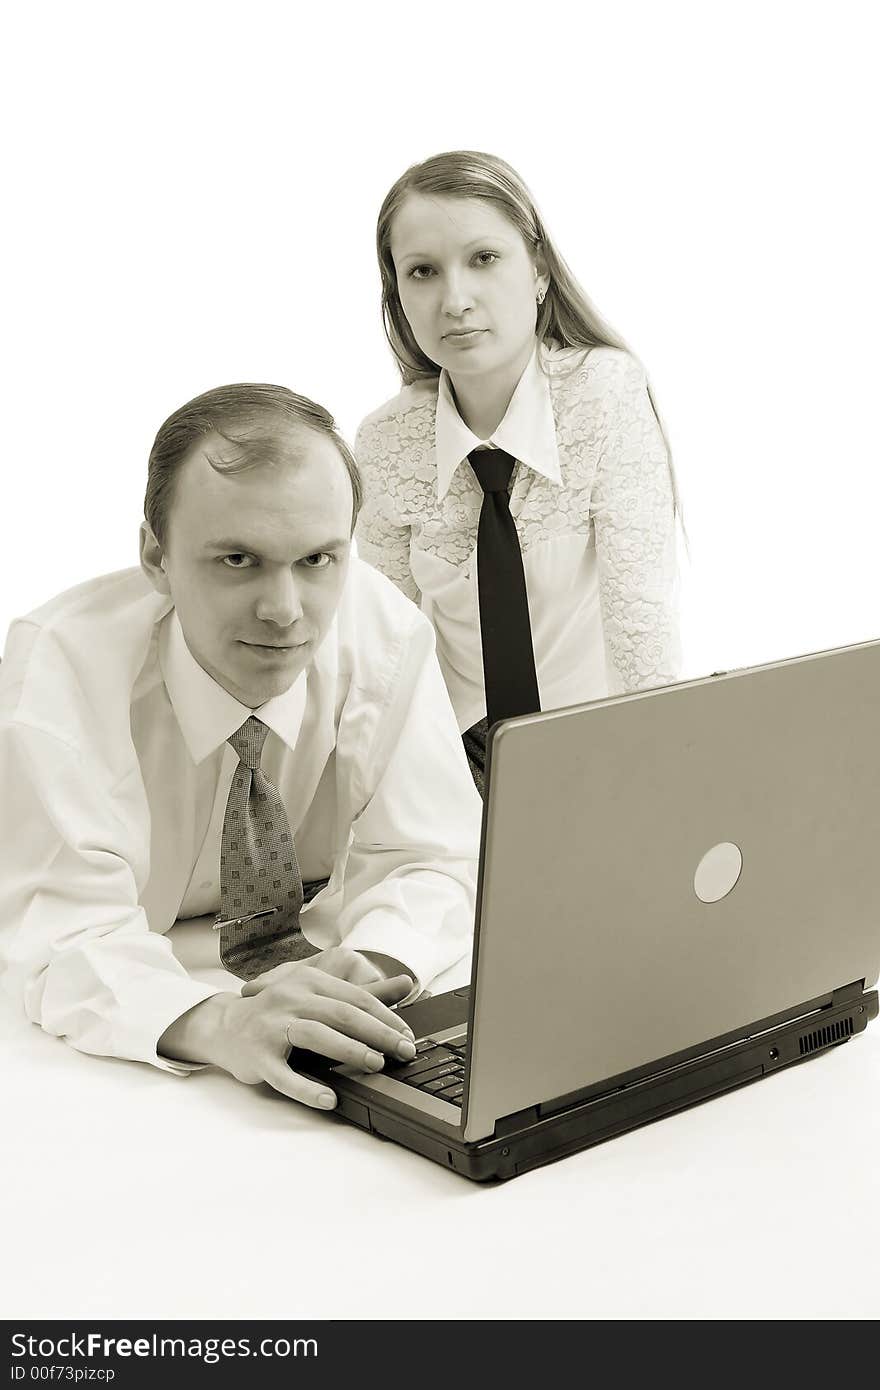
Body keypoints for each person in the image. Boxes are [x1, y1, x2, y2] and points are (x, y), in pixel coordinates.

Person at [0, 383, 482, 1111]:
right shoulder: (59, 668)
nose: (285, 612)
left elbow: (439, 852)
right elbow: (64, 934)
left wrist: (372, 971)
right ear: (156, 557)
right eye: (237, 561)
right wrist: (220, 1022)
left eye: (318, 559)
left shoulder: (381, 632)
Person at [354, 150, 682, 792]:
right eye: (422, 271)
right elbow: (383, 659)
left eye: (483, 258)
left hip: (603, 746)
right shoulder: (386, 442)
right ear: (398, 296)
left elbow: (642, 632)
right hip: (453, 764)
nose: (455, 299)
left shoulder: (603, 394)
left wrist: (664, 780)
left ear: (537, 270)